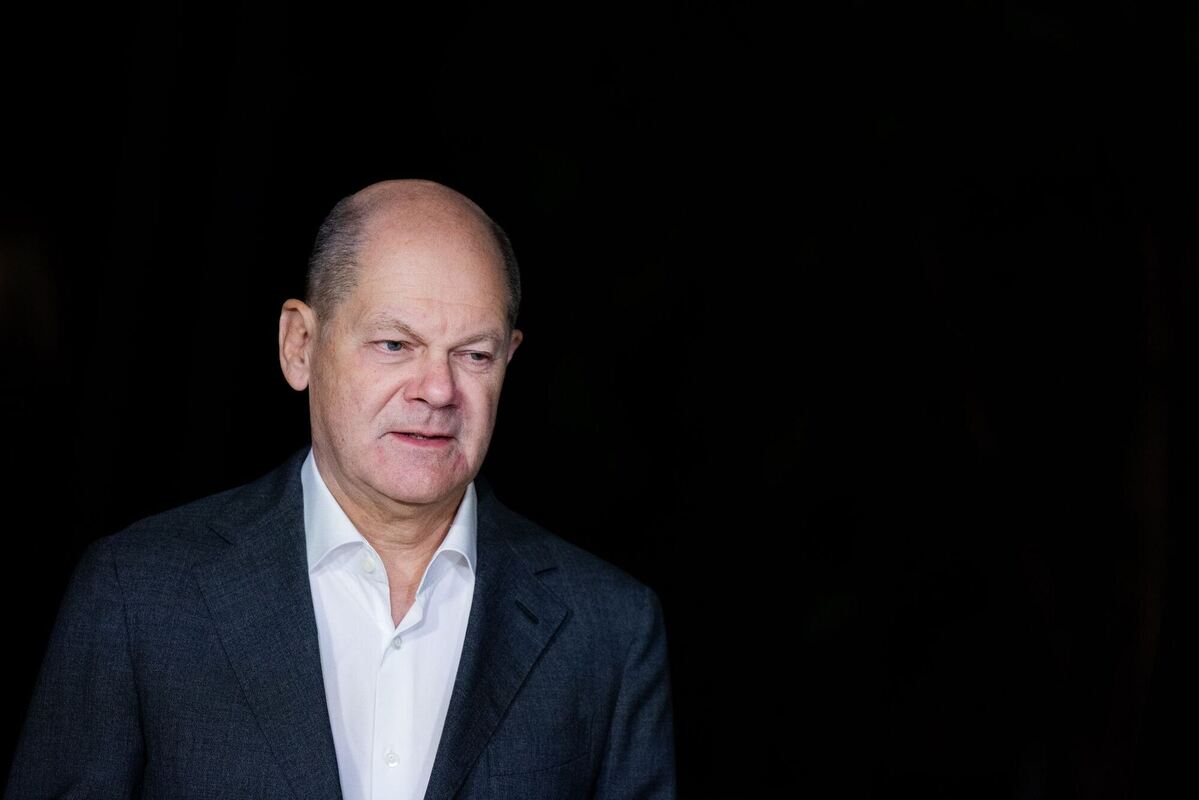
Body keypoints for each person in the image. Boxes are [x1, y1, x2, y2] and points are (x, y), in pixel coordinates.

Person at [4, 179, 677, 799]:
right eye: (394, 345)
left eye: (474, 354)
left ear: (509, 359)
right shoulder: (138, 594)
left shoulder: (610, 631)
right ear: (299, 344)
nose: (438, 390)